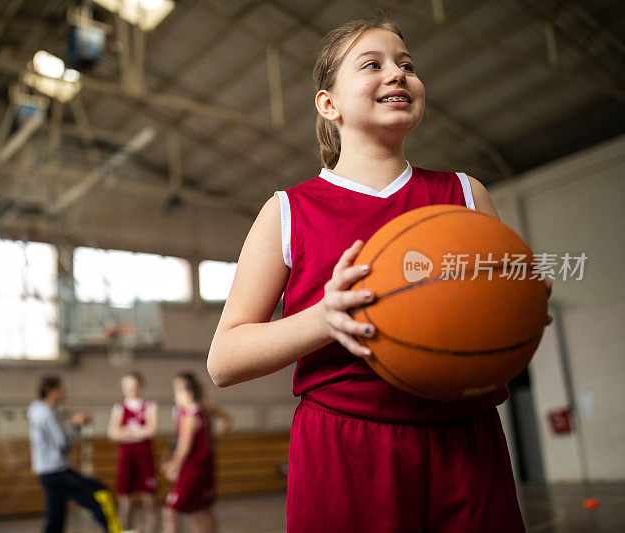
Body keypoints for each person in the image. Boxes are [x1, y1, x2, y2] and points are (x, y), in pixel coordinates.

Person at [206, 15, 553, 533]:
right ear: (330, 105)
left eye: (407, 65)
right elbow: (224, 360)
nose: (397, 74)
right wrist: (323, 318)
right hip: (345, 445)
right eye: (374, 64)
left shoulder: (465, 192)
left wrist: (515, 314)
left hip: (467, 439)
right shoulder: (288, 210)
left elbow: (495, 317)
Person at [27, 375, 121, 533]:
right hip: (57, 471)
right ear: (51, 391)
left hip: (46, 473)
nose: (64, 392)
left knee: (55, 518)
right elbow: (63, 444)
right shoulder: (45, 414)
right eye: (61, 388)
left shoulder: (38, 411)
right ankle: (114, 530)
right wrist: (76, 425)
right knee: (100, 492)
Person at [161, 372, 227, 533]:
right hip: (198, 466)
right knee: (198, 511)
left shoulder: (194, 412)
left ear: (188, 391)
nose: (175, 394)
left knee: (172, 511)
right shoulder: (188, 411)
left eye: (177, 390)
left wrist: (173, 465)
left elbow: (184, 447)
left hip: (195, 467)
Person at [107, 371, 159, 533]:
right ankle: (127, 530)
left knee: (149, 501)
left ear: (140, 386)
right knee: (125, 502)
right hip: (126, 458)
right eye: (127, 386)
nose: (131, 389)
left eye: (134, 385)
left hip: (145, 458)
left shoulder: (150, 406)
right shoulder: (118, 408)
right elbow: (112, 434)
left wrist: (126, 432)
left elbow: (151, 430)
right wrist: (138, 432)